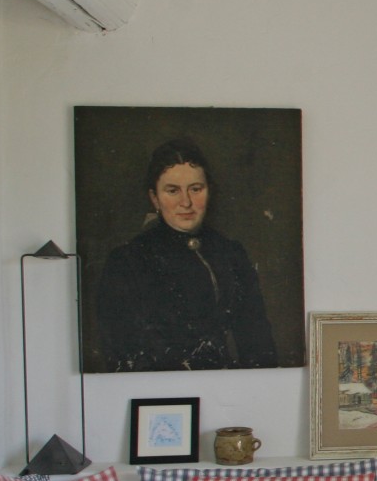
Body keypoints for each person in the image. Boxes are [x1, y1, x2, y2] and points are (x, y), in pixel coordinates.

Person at [96, 138, 278, 372]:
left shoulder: (230, 253)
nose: (186, 202)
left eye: (196, 189)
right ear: (155, 198)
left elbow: (257, 341)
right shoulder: (128, 260)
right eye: (173, 191)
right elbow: (121, 351)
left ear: (208, 191)